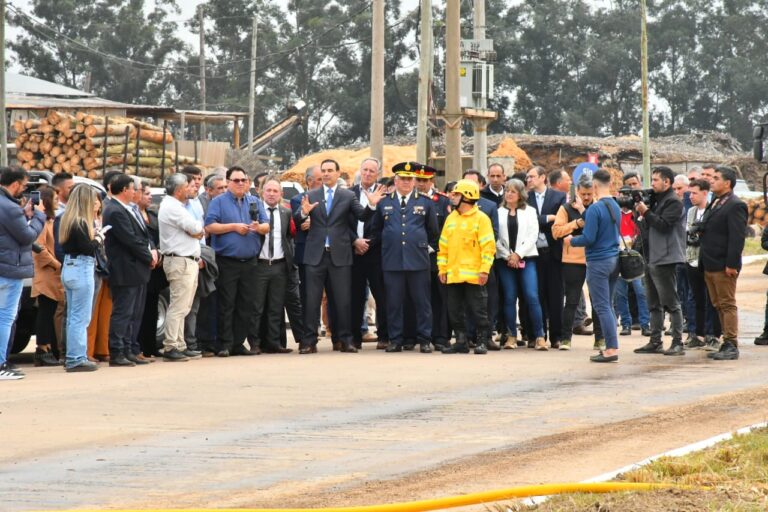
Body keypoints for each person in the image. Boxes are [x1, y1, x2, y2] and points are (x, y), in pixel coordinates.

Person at [297, 159, 384, 354]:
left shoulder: (347, 195)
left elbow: (361, 216)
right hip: (315, 256)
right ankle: (309, 341)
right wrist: (303, 213)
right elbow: (297, 217)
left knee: (343, 300)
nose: (326, 174)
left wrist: (371, 206)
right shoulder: (311, 194)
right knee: (312, 300)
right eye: (324, 171)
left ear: (338, 174)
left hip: (340, 255)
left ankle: (345, 340)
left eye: (330, 171)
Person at [372, 162, 438, 353]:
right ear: (396, 180)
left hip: (418, 261)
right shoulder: (384, 202)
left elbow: (434, 233)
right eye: (403, 179)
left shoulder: (425, 202)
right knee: (393, 303)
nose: (407, 182)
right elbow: (377, 230)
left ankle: (425, 339)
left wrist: (428, 250)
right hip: (392, 261)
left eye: (410, 179)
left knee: (422, 302)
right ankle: (395, 339)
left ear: (414, 181)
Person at [205, 166, 270, 357]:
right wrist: (233, 227)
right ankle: (224, 343)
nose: (240, 183)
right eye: (236, 180)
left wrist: (259, 227)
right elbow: (210, 226)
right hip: (227, 261)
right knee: (227, 303)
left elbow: (267, 226)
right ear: (228, 182)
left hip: (250, 262)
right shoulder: (218, 202)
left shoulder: (255, 202)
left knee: (246, 304)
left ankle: (238, 343)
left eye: (243, 180)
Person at [102, 173, 157, 367]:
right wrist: (148, 256)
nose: (136, 192)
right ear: (125, 190)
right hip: (125, 268)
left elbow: (142, 236)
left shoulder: (128, 209)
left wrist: (151, 251)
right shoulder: (115, 210)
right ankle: (117, 351)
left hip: (136, 268)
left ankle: (128, 349)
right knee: (123, 312)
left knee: (134, 312)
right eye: (134, 189)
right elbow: (130, 240)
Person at [633, 166, 687, 356]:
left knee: (671, 302)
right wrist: (639, 211)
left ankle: (678, 342)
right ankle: (655, 341)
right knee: (653, 302)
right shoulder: (655, 200)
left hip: (665, 257)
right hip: (651, 255)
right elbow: (645, 225)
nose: (653, 183)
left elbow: (663, 225)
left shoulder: (674, 202)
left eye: (656, 180)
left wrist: (646, 211)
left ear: (667, 182)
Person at [568, 169, 620, 363]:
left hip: (598, 261)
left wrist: (571, 240)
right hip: (614, 259)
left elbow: (589, 238)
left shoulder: (596, 209)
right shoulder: (614, 205)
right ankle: (610, 345)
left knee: (602, 306)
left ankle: (611, 348)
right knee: (609, 305)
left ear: (595, 186)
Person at [438, 179, 495, 354]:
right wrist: (442, 269)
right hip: (453, 274)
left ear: (467, 197)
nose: (451, 196)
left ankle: (481, 342)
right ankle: (461, 342)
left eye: (456, 194)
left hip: (474, 275)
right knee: (454, 311)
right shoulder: (451, 218)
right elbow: (443, 246)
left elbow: (488, 247)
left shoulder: (481, 219)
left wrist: (484, 270)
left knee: (479, 311)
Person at [0, 167, 46, 379]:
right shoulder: (9, 207)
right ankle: (1, 364)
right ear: (16, 183)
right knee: (6, 318)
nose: (25, 190)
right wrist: (39, 217)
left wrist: (24, 215)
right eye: (25, 185)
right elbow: (27, 236)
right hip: (9, 269)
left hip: (7, 266)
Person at [698, 166, 747, 360]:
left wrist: (732, 264)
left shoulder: (735, 205)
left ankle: (731, 344)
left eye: (716, 178)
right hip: (710, 262)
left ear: (727, 183)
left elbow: (737, 238)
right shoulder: (717, 201)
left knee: (727, 304)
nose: (711, 180)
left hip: (723, 265)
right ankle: (725, 340)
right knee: (718, 304)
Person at [552, 177, 605, 351]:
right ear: (577, 192)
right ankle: (566, 338)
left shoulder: (599, 207)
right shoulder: (566, 208)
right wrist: (576, 223)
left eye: (590, 194)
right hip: (572, 260)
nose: (587, 197)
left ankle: (600, 339)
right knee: (572, 301)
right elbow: (556, 232)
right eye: (583, 194)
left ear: (595, 192)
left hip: (594, 259)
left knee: (597, 301)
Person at [159, 173, 205, 361]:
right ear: (179, 190)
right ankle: (171, 346)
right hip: (180, 261)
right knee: (178, 305)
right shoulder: (172, 207)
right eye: (187, 185)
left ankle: (179, 343)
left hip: (187, 260)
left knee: (184, 306)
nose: (190, 188)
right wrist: (196, 231)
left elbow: (197, 229)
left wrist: (196, 231)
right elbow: (196, 228)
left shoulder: (177, 206)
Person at [495, 179, 545, 349]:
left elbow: (533, 235)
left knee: (532, 296)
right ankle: (511, 336)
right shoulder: (498, 212)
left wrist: (518, 254)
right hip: (504, 261)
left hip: (527, 258)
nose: (508, 193)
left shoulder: (530, 212)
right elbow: (495, 237)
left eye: (513, 191)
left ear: (520, 194)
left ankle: (539, 336)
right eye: (507, 190)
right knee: (509, 297)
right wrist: (508, 255)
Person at [59, 185, 104, 372]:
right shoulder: (81, 222)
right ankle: (76, 358)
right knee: (80, 317)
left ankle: (74, 355)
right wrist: (99, 238)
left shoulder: (67, 220)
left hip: (69, 266)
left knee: (72, 316)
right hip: (82, 267)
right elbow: (88, 248)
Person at [248, 177, 295, 354]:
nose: (272, 194)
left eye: (275, 191)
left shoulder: (285, 213)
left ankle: (274, 342)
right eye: (268, 190)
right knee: (257, 307)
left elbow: (288, 238)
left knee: (276, 307)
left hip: (279, 266)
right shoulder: (254, 211)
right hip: (259, 265)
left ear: (281, 194)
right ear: (261, 192)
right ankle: (254, 343)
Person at [350, 158, 389, 350]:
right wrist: (355, 241)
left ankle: (384, 336)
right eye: (364, 170)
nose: (367, 174)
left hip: (375, 253)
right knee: (356, 297)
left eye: (371, 171)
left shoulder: (384, 194)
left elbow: (386, 225)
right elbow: (341, 223)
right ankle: (355, 337)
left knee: (381, 296)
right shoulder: (348, 194)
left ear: (377, 174)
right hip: (353, 252)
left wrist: (369, 243)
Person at [526, 166, 566, 348]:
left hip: (554, 252)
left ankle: (557, 336)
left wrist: (547, 219)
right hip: (533, 253)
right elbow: (528, 221)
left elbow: (559, 220)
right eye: (527, 177)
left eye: (532, 177)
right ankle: (538, 334)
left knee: (556, 295)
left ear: (543, 177)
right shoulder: (526, 199)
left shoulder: (558, 197)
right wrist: (546, 218)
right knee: (537, 294)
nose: (529, 180)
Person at [414, 166, 452, 350]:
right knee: (418, 298)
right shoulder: (409, 200)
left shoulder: (442, 201)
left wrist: (432, 247)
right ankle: (419, 336)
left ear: (432, 181)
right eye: (418, 180)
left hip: (436, 257)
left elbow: (447, 228)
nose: (421, 184)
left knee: (439, 298)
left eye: (424, 181)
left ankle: (441, 337)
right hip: (414, 258)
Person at [462, 170, 501, 350]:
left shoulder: (489, 206)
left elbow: (494, 234)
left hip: (483, 261)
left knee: (487, 300)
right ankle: (467, 336)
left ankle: (486, 336)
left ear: (481, 185)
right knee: (466, 301)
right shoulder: (456, 207)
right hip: (462, 263)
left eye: (473, 183)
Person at [684, 179, 722, 350]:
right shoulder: (691, 211)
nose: (691, 196)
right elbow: (687, 233)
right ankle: (697, 334)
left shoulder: (712, 210)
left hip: (707, 259)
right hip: (691, 260)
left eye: (695, 193)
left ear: (705, 193)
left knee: (712, 299)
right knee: (696, 298)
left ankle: (713, 334)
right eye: (690, 193)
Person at [614, 172, 651, 337]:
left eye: (628, 194)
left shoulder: (639, 212)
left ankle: (645, 324)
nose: (625, 198)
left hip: (636, 256)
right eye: (623, 194)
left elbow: (645, 231)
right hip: (618, 255)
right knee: (620, 293)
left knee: (641, 292)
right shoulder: (614, 212)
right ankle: (626, 324)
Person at [31, 185, 64, 367]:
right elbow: (39, 247)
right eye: (55, 199)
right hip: (46, 273)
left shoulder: (51, 221)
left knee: (50, 312)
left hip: (53, 274)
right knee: (45, 312)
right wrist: (56, 264)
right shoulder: (42, 221)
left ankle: (48, 348)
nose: (58, 202)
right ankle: (42, 349)